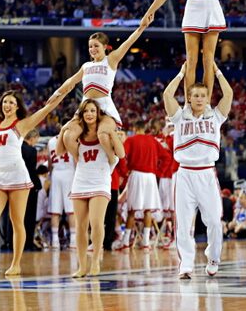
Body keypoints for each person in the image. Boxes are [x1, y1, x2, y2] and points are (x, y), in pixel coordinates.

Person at [0, 61, 75, 275]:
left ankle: (16, 264)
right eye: (5, 102)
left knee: (17, 222)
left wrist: (62, 92)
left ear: (17, 106)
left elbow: (47, 108)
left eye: (11, 102)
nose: (7, 105)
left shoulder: (22, 125)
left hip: (18, 177)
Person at [163, 62, 232, 279]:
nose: (200, 99)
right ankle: (186, 265)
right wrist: (182, 73)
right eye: (196, 95)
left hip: (206, 173)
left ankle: (213, 257)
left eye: (204, 95)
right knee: (183, 222)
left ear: (208, 98)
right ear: (189, 98)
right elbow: (167, 95)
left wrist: (216, 70)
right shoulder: (179, 116)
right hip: (184, 174)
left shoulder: (215, 116)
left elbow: (228, 93)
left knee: (213, 220)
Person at [56, 15, 154, 166]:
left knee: (102, 135)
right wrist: (56, 93)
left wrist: (141, 27)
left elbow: (128, 43)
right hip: (86, 107)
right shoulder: (86, 66)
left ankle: (111, 159)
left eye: (96, 46)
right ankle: (80, 161)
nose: (93, 49)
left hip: (104, 106)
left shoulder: (111, 59)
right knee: (68, 137)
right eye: (90, 46)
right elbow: (71, 81)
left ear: (105, 47)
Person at [63, 99, 125, 277]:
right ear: (81, 115)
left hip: (101, 181)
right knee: (80, 226)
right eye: (85, 111)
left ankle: (96, 259)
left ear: (98, 114)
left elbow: (121, 154)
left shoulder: (104, 135)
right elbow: (73, 156)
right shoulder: (78, 137)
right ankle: (82, 265)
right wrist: (63, 131)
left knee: (97, 223)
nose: (89, 114)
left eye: (92, 111)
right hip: (81, 181)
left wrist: (112, 133)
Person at [119, 121, 163, 251]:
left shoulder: (131, 140)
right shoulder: (153, 140)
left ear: (134, 128)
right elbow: (166, 156)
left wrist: (124, 170)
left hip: (137, 174)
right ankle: (146, 242)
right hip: (150, 176)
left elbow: (121, 155)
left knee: (132, 210)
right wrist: (157, 170)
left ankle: (126, 241)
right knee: (148, 210)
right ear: (145, 128)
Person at [47, 134, 75, 249]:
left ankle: (55, 241)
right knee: (71, 210)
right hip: (69, 174)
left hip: (56, 173)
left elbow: (49, 163)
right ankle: (73, 240)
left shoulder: (51, 141)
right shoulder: (73, 138)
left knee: (55, 210)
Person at [21, 129, 42, 252]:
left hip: (17, 186)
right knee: (29, 216)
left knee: (19, 216)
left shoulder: (17, 148)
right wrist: (37, 185)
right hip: (30, 186)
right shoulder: (31, 150)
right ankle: (28, 242)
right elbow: (32, 171)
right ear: (32, 137)